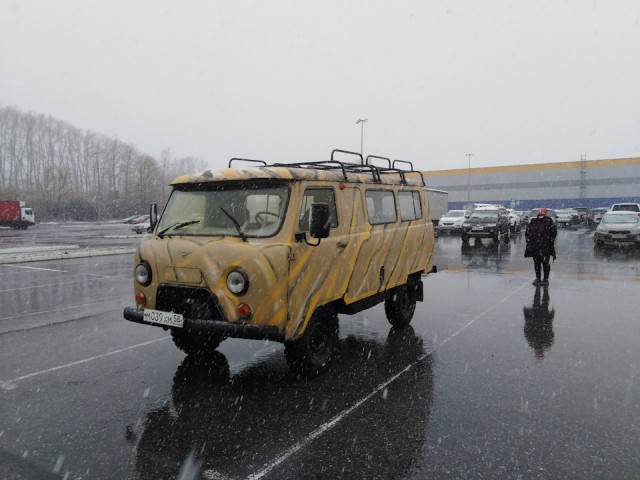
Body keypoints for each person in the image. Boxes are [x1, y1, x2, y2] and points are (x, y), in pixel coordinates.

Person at [524, 207, 557, 286]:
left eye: (542, 212)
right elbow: (528, 232)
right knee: (537, 263)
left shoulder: (549, 222)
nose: (540, 213)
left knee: (545, 263)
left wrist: (549, 241)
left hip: (545, 247)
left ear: (545, 213)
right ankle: (538, 278)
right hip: (535, 247)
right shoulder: (534, 221)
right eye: (539, 212)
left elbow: (553, 233)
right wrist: (529, 240)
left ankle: (545, 279)